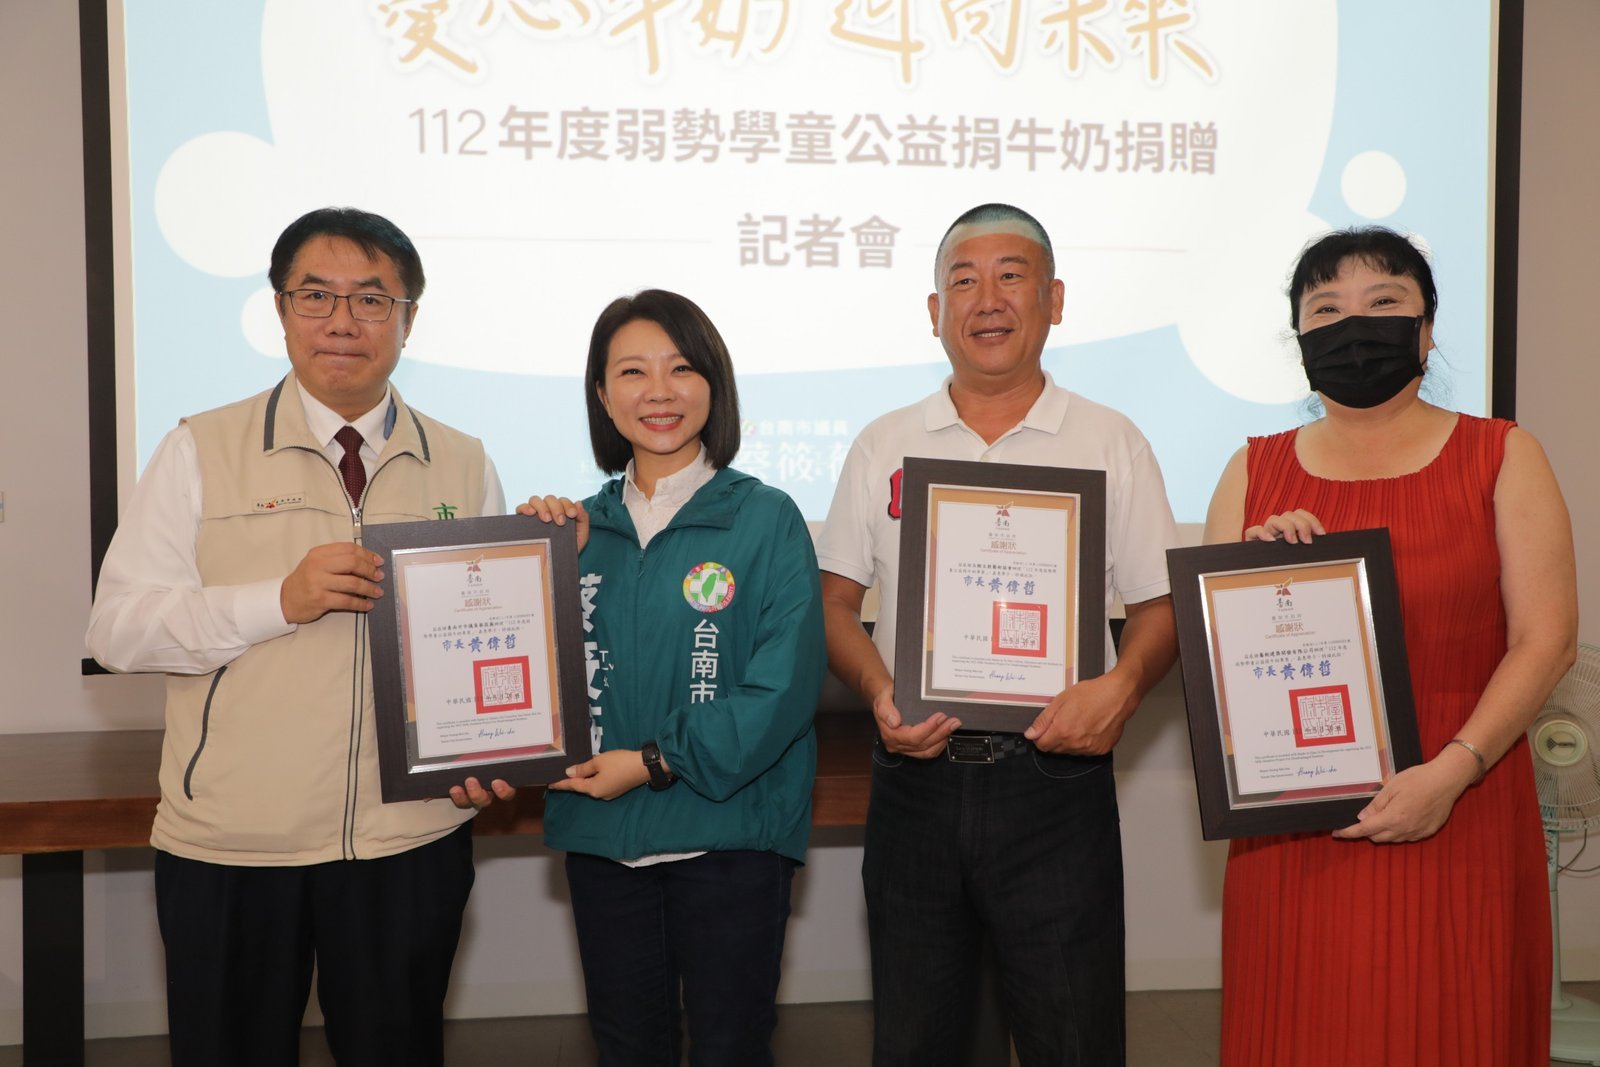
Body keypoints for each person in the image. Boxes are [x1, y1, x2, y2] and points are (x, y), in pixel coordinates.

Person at [86, 207, 512, 1067]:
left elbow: (484, 636)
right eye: (316, 295)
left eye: (372, 299)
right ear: (280, 309)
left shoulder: (463, 460)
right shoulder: (200, 447)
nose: (342, 321)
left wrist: (489, 749)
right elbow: (119, 630)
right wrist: (277, 600)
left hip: (408, 840)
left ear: (409, 320)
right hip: (234, 842)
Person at [816, 203, 1181, 1065]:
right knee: (916, 1037)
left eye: (1012, 276)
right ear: (933, 309)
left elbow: (1160, 607)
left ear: (1054, 299)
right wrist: (879, 691)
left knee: (1073, 1035)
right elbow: (833, 603)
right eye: (964, 280)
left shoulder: (1111, 440)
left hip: (1054, 783)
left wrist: (1122, 688)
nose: (988, 299)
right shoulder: (883, 442)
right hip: (916, 780)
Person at [1203, 226, 1577, 1066]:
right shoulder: (1251, 471)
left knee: (1454, 1029)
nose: (1354, 325)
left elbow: (1546, 640)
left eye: (1383, 302)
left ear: (1427, 329)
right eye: (1326, 308)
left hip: (1464, 801)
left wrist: (1452, 772)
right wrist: (1262, 581)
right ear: (1299, 337)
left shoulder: (1503, 453)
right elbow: (1217, 666)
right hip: (1297, 828)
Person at [519, 288, 825, 1066]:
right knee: (626, 1046)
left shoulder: (766, 518)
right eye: (632, 371)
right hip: (604, 841)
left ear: (714, 384)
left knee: (731, 1046)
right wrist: (535, 570)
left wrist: (655, 760)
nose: (659, 391)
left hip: (730, 839)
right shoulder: (570, 531)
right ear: (602, 395)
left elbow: (783, 690)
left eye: (681, 367)